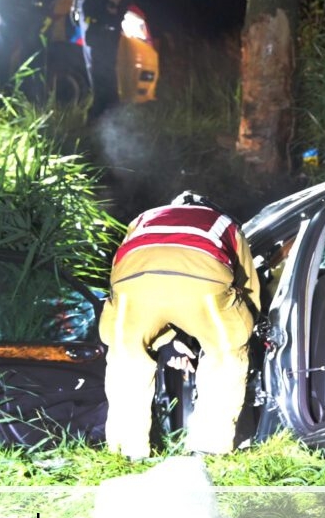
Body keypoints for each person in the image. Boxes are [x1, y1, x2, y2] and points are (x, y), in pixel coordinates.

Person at [98, 192, 260, 459]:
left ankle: (125, 455)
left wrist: (166, 340)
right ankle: (208, 450)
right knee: (225, 354)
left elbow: (123, 269)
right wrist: (245, 326)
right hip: (203, 279)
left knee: (127, 359)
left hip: (132, 285)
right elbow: (248, 287)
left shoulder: (143, 219)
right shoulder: (224, 223)